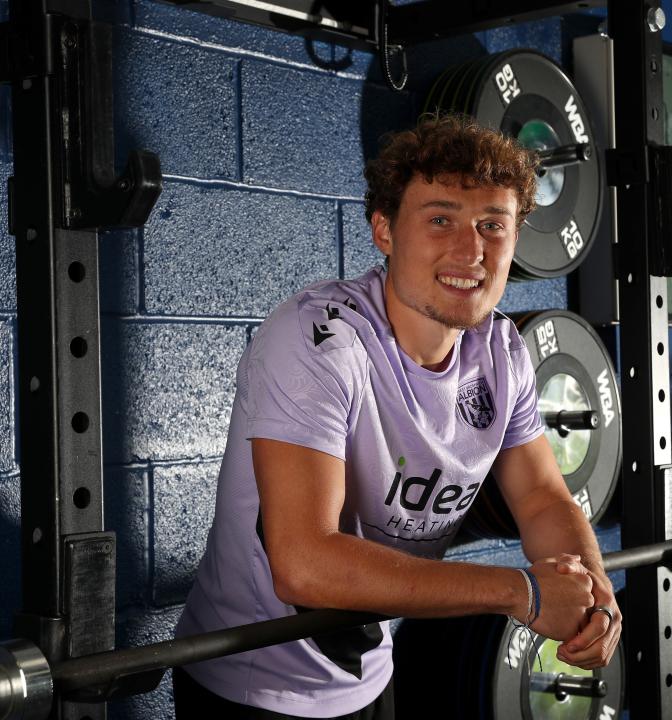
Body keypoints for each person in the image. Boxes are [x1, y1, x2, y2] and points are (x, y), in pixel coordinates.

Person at [173, 113, 622, 719]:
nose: (471, 250)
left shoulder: (502, 352)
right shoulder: (319, 341)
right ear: (384, 230)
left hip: (371, 672)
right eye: (440, 220)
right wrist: (523, 592)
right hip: (253, 683)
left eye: (493, 225)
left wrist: (595, 592)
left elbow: (542, 498)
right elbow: (304, 563)